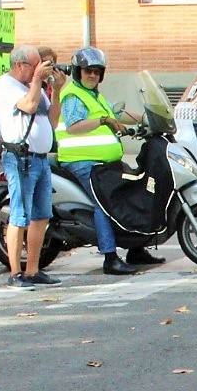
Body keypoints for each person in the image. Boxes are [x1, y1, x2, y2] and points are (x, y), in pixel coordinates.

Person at [54, 47, 160, 276]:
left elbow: (114, 114)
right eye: (87, 71)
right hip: (83, 162)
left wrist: (148, 118)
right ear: (77, 72)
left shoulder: (94, 94)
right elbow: (73, 127)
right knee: (103, 203)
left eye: (97, 71)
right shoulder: (73, 95)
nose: (92, 75)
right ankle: (110, 258)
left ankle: (136, 248)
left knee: (134, 191)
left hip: (103, 162)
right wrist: (103, 120)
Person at [0, 44, 65, 290]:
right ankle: (15, 273)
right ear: (19, 65)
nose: (39, 69)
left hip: (41, 159)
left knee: (41, 216)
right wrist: (36, 81)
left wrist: (55, 90)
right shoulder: (5, 86)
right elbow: (29, 106)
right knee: (20, 215)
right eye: (35, 65)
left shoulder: (33, 86)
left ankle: (33, 270)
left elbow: (52, 120)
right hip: (20, 158)